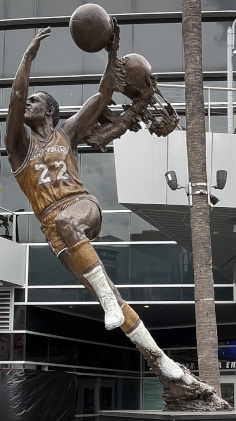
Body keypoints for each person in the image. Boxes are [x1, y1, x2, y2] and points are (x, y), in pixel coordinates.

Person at [5, 26, 183, 380]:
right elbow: (14, 97)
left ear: (50, 112)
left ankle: (107, 304)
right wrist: (27, 56)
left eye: (35, 101)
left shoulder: (66, 133)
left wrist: (112, 54)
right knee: (114, 300)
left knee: (68, 224)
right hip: (54, 230)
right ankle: (164, 363)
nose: (27, 104)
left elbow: (103, 94)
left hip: (81, 206)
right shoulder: (18, 147)